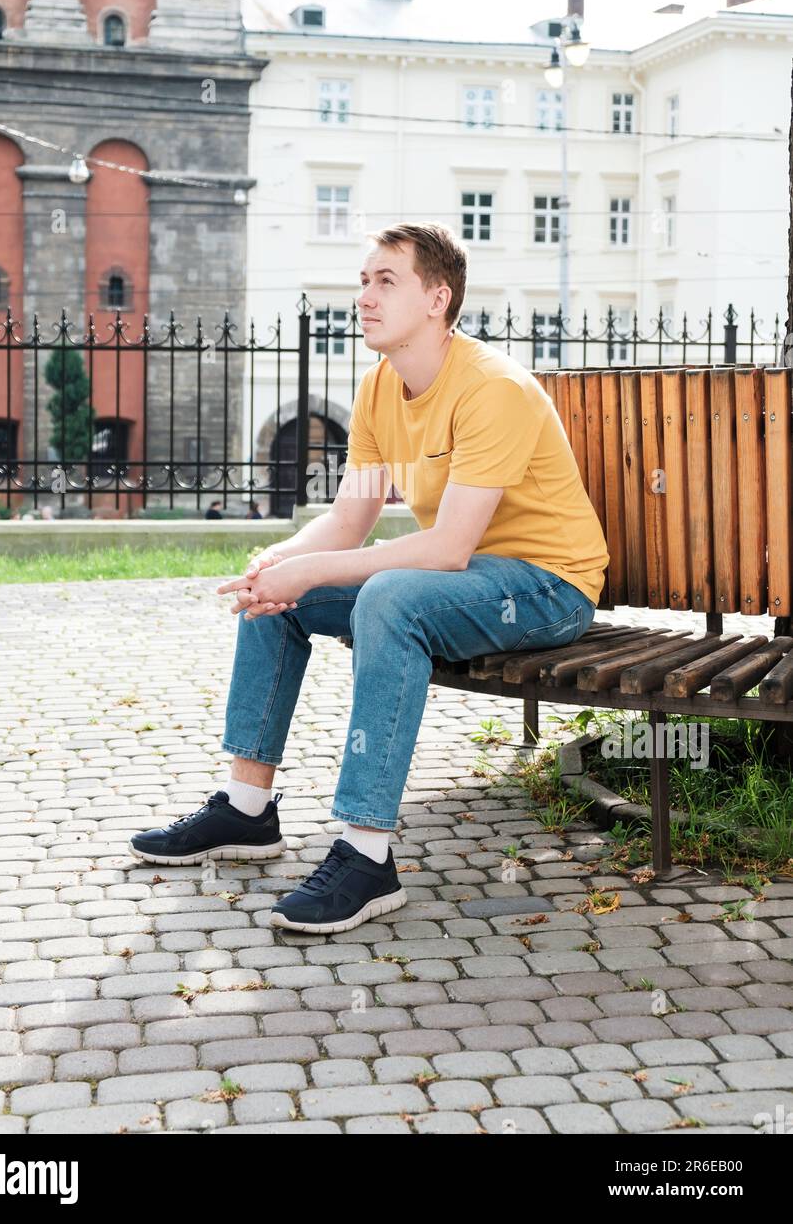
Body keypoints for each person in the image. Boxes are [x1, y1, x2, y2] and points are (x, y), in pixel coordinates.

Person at [130, 223, 609, 936]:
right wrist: (277, 564)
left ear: (437, 298)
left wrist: (311, 568)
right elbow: (349, 521)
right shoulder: (382, 386)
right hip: (469, 581)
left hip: (546, 588)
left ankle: (366, 855)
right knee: (284, 597)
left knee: (388, 596)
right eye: (362, 281)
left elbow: (446, 549)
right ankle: (246, 809)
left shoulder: (492, 388)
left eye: (386, 281)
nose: (365, 296)